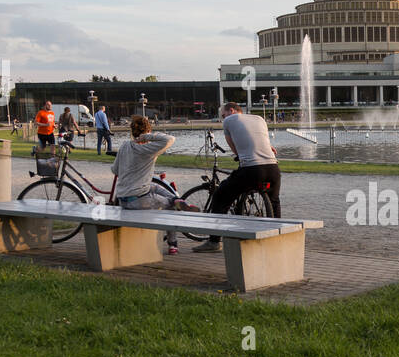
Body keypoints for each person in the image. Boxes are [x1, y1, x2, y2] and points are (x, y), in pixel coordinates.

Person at [195, 102, 283, 251]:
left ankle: (214, 242)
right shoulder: (259, 118)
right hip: (273, 168)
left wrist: (239, 156)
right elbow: (264, 142)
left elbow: (233, 146)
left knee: (220, 197)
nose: (223, 119)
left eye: (223, 115)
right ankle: (278, 239)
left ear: (231, 110)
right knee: (274, 202)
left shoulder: (229, 120)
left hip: (252, 170)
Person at [111, 115, 185, 255]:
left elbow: (114, 170)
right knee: (171, 207)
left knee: (154, 187)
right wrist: (148, 137)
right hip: (138, 201)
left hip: (122, 198)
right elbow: (170, 139)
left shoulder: (124, 146)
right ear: (147, 132)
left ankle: (174, 197)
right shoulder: (148, 149)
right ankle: (172, 244)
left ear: (132, 131)